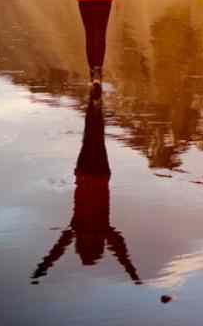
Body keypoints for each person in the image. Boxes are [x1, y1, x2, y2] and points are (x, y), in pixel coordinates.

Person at [30, 85, 141, 285]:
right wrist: (131, 271)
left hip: (97, 175)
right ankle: (94, 101)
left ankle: (95, 101)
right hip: (89, 175)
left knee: (94, 135)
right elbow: (61, 248)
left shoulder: (89, 229)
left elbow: (59, 249)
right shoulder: (85, 229)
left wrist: (44, 266)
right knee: (91, 135)